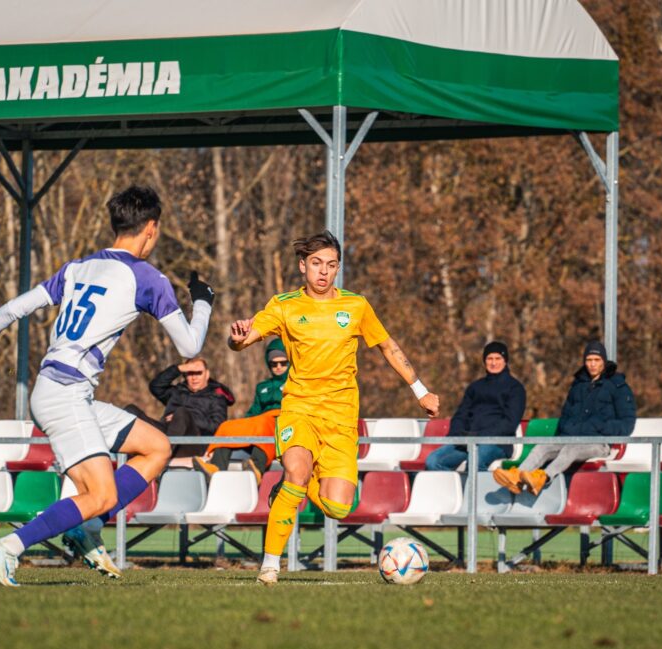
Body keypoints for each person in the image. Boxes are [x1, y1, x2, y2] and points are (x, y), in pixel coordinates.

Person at [0, 185, 213, 587]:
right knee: (101, 495)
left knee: (157, 447)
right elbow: (190, 347)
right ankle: (8, 547)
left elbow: (16, 308)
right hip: (66, 395)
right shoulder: (147, 277)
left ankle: (86, 528)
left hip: (62, 390)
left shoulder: (78, 267)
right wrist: (204, 302)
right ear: (151, 228)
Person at [228, 230, 440, 585]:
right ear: (303, 266)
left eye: (331, 265)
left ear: (338, 268)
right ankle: (270, 566)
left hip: (341, 418)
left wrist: (420, 390)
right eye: (316, 264)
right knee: (296, 473)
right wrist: (236, 339)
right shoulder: (284, 305)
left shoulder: (356, 306)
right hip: (300, 408)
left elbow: (388, 347)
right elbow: (244, 338)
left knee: (338, 506)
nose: (323, 272)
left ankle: (292, 487)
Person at [493, 341, 636, 496]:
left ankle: (542, 478)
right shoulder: (578, 385)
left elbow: (627, 423)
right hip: (571, 438)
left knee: (571, 449)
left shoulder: (618, 386)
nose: (592, 364)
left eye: (597, 360)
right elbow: (566, 416)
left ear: (604, 361)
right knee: (543, 447)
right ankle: (516, 478)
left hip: (599, 443)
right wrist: (567, 429)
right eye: (589, 360)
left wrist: (598, 427)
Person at [191, 338, 289, 483]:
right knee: (228, 426)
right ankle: (215, 466)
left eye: (283, 363)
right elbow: (255, 410)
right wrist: (243, 426)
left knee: (264, 424)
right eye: (274, 364)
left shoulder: (294, 383)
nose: (278, 367)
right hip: (261, 420)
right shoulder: (262, 387)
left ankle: (256, 466)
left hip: (282, 421)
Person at [425, 341, 525, 472]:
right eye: (489, 359)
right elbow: (461, 415)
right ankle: (454, 485)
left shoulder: (515, 388)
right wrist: (456, 435)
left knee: (475, 461)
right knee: (433, 461)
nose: (493, 363)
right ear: (484, 361)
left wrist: (481, 436)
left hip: (497, 442)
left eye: (498, 358)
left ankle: (477, 486)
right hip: (468, 441)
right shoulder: (475, 387)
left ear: (505, 360)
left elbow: (510, 422)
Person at [132, 357, 233, 458]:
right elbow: (156, 386)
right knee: (131, 411)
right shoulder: (178, 391)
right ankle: (129, 460)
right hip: (165, 435)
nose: (194, 378)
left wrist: (186, 418)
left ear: (207, 374)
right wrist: (179, 368)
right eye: (190, 373)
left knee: (181, 413)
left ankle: (162, 454)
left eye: (198, 373)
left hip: (193, 443)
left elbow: (217, 427)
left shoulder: (216, 397)